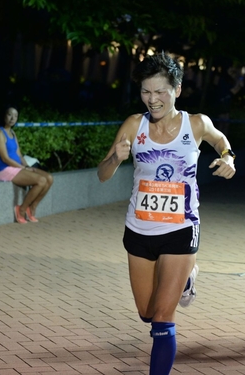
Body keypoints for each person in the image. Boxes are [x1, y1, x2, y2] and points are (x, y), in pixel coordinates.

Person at [97, 53, 236, 374]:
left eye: (160, 91)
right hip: (139, 230)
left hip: (180, 229)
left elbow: (220, 140)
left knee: (162, 319)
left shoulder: (196, 123)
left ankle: (184, 275)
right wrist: (115, 158)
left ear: (177, 90)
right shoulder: (134, 124)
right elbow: (102, 175)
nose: (152, 99)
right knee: (147, 313)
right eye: (146, 91)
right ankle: (187, 280)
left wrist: (229, 157)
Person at [0, 106, 53, 223]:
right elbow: (5, 158)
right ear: (4, 115)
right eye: (10, 115)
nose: (12, 118)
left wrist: (27, 167)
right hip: (4, 169)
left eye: (15, 116)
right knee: (41, 181)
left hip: (17, 167)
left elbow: (19, 154)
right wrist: (23, 168)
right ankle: (21, 209)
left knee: (49, 178)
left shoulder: (12, 133)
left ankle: (32, 207)